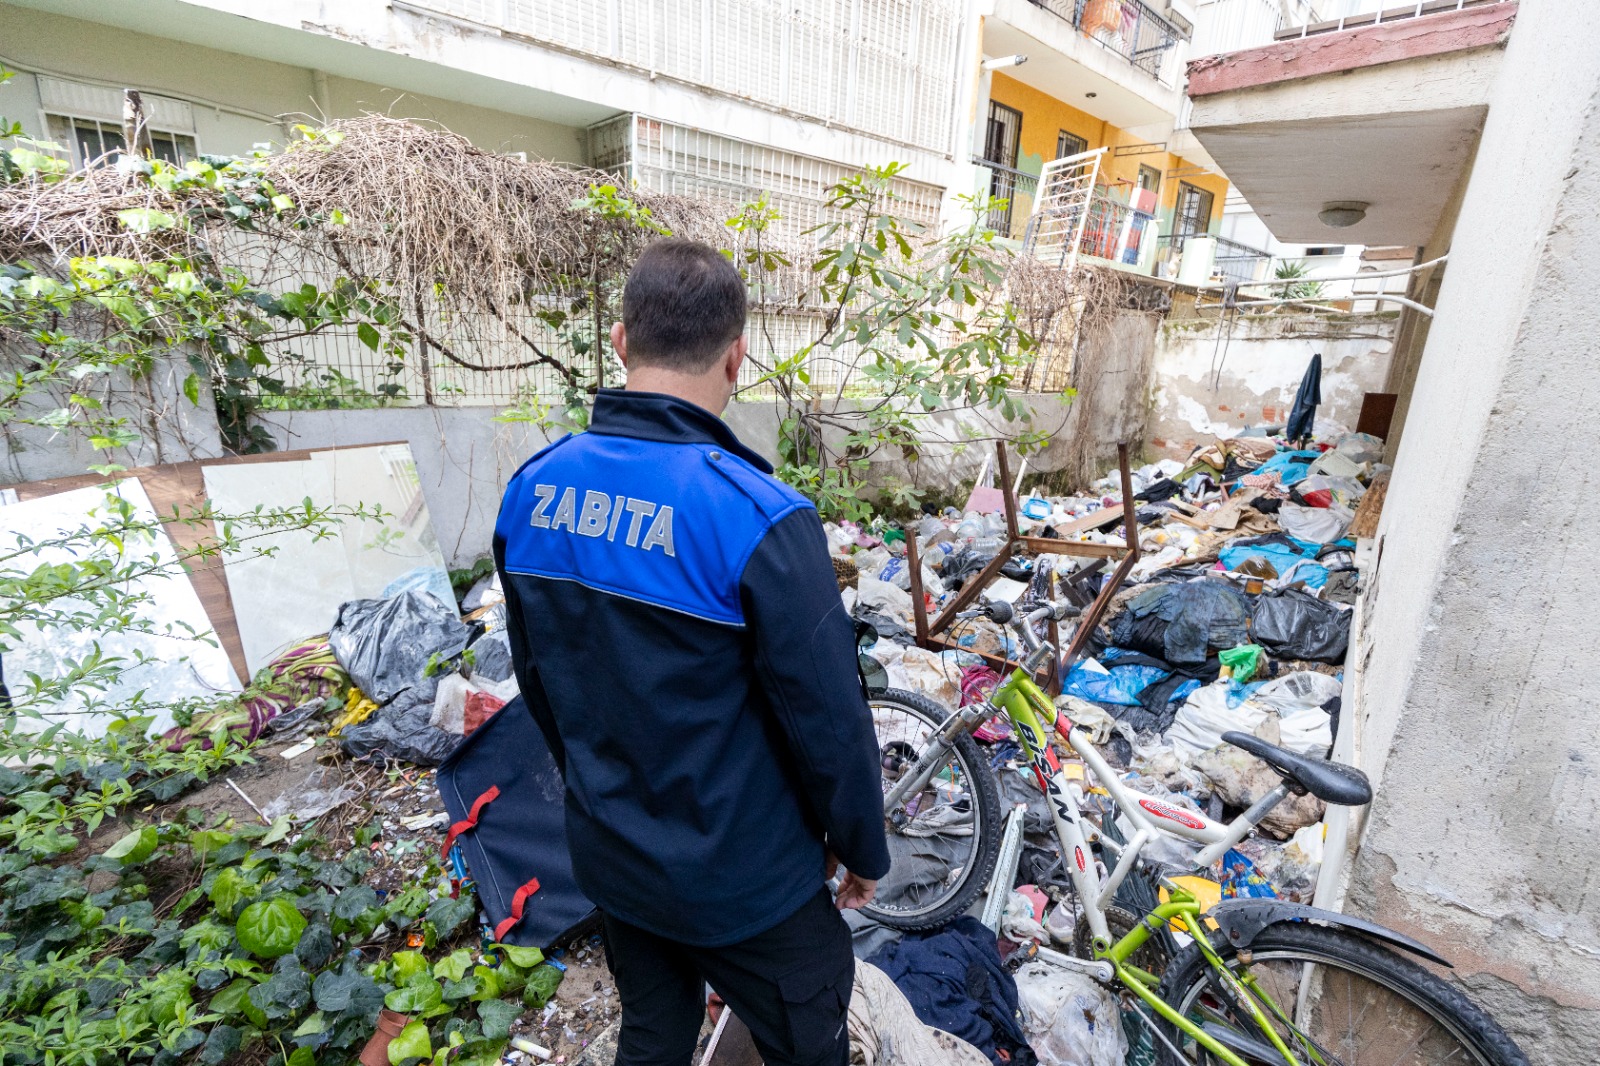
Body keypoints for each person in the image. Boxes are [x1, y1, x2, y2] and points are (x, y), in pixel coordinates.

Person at [493, 238, 891, 1066]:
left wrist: (602, 804)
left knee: (652, 1035)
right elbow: (829, 722)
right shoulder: (757, 517)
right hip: (750, 885)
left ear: (620, 341)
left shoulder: (532, 492)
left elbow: (539, 686)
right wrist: (861, 848)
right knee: (809, 1042)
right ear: (737, 356)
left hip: (617, 862)